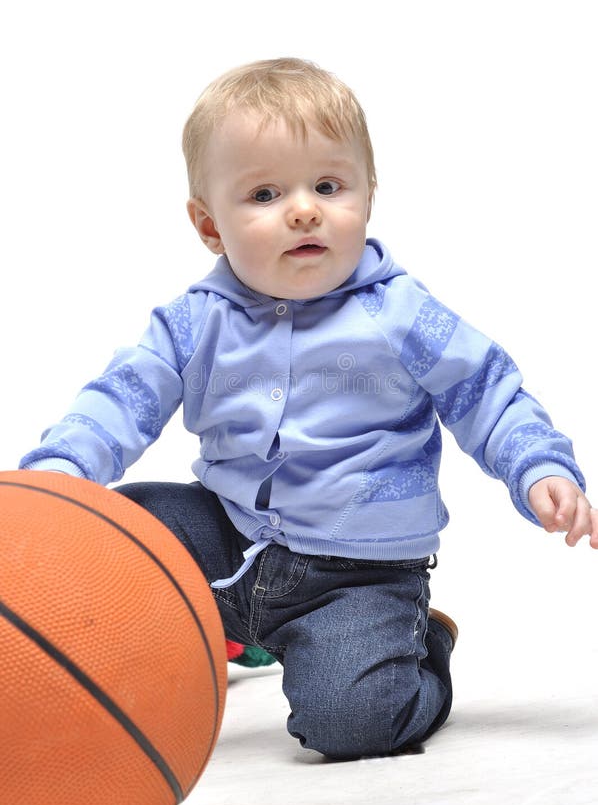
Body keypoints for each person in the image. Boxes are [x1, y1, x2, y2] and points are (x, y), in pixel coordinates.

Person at [20, 57, 598, 759]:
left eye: (328, 186)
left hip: (356, 575)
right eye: (264, 193)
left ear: (367, 195)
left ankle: (418, 647)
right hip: (231, 539)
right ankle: (225, 631)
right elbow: (122, 399)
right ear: (210, 225)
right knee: (118, 529)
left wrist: (539, 468)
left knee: (349, 724)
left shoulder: (400, 314)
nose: (303, 209)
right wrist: (57, 473)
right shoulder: (195, 323)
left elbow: (488, 393)